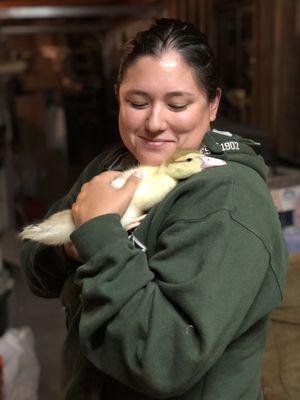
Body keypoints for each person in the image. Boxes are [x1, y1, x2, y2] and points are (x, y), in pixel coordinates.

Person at [20, 18, 288, 400]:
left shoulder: (227, 202)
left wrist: (99, 235)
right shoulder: (113, 165)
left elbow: (164, 361)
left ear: (212, 104)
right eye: (137, 102)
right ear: (118, 97)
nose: (154, 123)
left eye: (177, 104)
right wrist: (69, 249)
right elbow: (35, 268)